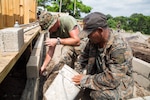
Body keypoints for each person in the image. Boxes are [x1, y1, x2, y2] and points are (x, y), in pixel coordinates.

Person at [72, 12, 134, 100]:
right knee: (85, 93)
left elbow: (113, 79)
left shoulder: (119, 47)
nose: (88, 36)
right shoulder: (92, 42)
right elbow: (82, 59)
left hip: (119, 85)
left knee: (97, 95)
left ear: (100, 31)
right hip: (99, 78)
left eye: (89, 33)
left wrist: (84, 80)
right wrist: (74, 75)